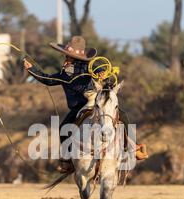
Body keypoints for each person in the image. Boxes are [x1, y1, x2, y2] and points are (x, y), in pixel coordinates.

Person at [23, 35, 148, 172]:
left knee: (121, 115)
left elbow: (99, 70)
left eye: (67, 56)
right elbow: (47, 79)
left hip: (95, 103)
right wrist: (32, 69)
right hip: (78, 108)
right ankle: (68, 159)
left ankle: (132, 147)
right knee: (64, 128)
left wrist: (102, 73)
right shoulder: (65, 72)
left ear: (73, 57)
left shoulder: (87, 67)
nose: (65, 58)